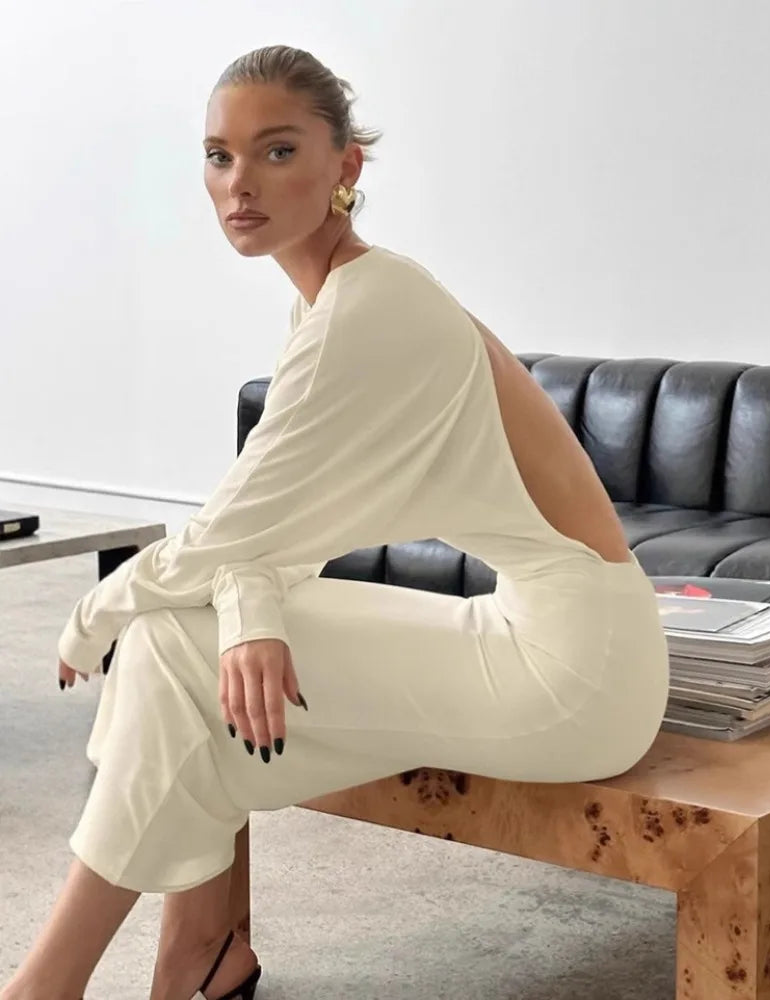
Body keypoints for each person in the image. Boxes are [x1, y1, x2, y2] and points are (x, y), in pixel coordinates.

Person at [0, 44, 670, 1000]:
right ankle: (196, 960)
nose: (239, 185)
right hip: (538, 629)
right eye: (219, 156)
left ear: (346, 166)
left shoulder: (372, 311)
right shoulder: (337, 299)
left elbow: (233, 531)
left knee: (157, 638)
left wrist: (93, 611)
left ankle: (51, 986)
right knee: (177, 648)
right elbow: (269, 526)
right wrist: (254, 613)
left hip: (576, 672)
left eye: (276, 152)